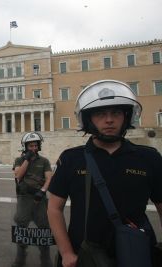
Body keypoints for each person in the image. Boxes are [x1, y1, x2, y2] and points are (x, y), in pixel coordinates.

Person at [47, 80, 162, 267]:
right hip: (84, 256)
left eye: (116, 113)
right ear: (88, 120)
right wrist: (66, 253)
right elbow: (54, 208)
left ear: (126, 117)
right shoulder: (71, 159)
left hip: (136, 253)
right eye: (100, 114)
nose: (109, 120)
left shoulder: (149, 158)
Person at [12, 132, 53, 267]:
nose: (34, 148)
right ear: (25, 147)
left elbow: (49, 178)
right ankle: (20, 258)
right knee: (21, 227)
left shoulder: (44, 161)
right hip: (24, 198)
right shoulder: (19, 160)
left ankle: (45, 259)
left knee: (44, 227)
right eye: (31, 146)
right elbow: (18, 175)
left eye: (36, 145)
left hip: (39, 198)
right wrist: (27, 159)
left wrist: (42, 191)